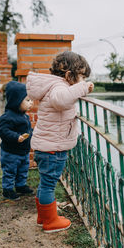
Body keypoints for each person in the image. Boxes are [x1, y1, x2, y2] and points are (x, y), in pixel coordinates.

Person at [26, 51, 94, 233]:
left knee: (44, 183)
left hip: (47, 146)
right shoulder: (59, 88)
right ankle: (50, 222)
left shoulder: (55, 85)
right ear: (68, 74)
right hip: (53, 148)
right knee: (48, 185)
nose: (82, 80)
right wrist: (83, 88)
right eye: (81, 76)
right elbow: (61, 100)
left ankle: (44, 217)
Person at [0, 81, 34, 200]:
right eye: (27, 100)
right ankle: (7, 190)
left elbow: (28, 130)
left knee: (23, 169)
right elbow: (4, 131)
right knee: (10, 171)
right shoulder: (7, 117)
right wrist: (16, 137)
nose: (31, 103)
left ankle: (20, 186)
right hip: (11, 153)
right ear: (16, 101)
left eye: (31, 100)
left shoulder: (24, 116)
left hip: (23, 151)